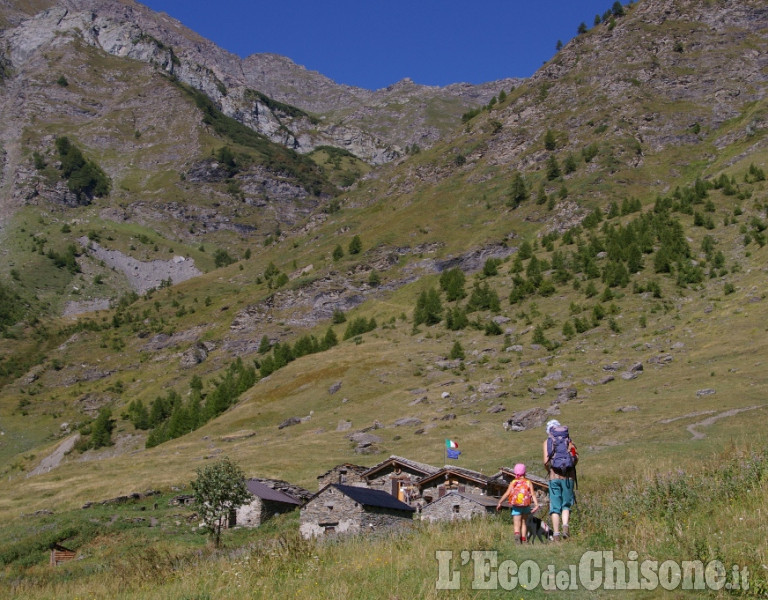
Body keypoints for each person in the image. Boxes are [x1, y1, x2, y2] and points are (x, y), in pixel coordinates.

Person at [543, 419, 578, 541]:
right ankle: (565, 527)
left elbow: (545, 462)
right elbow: (575, 458)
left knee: (555, 506)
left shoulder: (548, 441)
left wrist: (550, 471)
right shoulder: (569, 441)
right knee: (566, 504)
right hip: (568, 477)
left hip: (554, 477)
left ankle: (556, 534)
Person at [496, 462, 540, 544]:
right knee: (524, 523)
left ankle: (517, 538)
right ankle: (524, 539)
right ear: (525, 472)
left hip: (516, 506)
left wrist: (500, 502)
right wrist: (536, 504)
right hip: (526, 506)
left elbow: (507, 493)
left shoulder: (513, 482)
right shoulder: (528, 482)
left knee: (517, 524)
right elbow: (533, 494)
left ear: (516, 472)